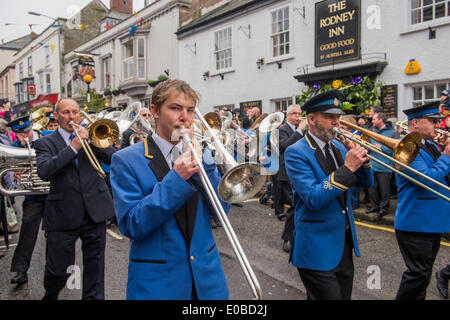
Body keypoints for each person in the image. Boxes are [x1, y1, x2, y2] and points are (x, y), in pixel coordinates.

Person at [110, 79, 230, 300]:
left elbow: (222, 211)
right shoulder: (125, 160)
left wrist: (206, 163)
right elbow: (131, 224)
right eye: (175, 108)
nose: (185, 117)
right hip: (159, 284)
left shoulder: (202, 154)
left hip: (207, 282)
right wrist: (177, 178)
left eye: (190, 110)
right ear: (155, 111)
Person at [285, 90, 373, 300]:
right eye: (329, 117)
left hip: (342, 243)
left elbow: (365, 183)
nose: (336, 122)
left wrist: (363, 160)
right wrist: (348, 167)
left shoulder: (339, 148)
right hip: (315, 245)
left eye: (337, 117)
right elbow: (314, 198)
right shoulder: (296, 151)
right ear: (312, 119)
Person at [34, 98, 116, 300]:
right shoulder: (45, 142)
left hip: (94, 211)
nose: (71, 116)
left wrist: (94, 141)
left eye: (75, 112)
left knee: (95, 270)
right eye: (66, 112)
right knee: (57, 271)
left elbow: (113, 157)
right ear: (56, 115)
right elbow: (45, 171)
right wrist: (73, 147)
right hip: (63, 214)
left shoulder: (90, 137)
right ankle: (51, 295)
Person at [394, 101, 450, 300]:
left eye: (438, 121)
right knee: (417, 275)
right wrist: (447, 155)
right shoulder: (408, 147)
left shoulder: (431, 145)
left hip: (431, 222)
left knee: (423, 275)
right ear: (415, 123)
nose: (438, 125)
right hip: (416, 223)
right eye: (433, 121)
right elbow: (426, 179)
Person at [5, 116, 46, 285]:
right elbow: (10, 172)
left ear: (32, 128)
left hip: (54, 193)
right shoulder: (14, 147)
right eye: (20, 134)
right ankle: (21, 271)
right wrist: (15, 173)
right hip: (33, 195)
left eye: (27, 132)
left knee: (56, 232)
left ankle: (58, 269)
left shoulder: (47, 136)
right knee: (28, 229)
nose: (25, 137)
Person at [275, 105, 306, 253]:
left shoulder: (304, 131)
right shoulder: (282, 130)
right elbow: (285, 146)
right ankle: (287, 238)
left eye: (299, 114)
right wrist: (299, 131)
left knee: (300, 205)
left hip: (301, 170)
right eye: (294, 113)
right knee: (294, 205)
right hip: (287, 171)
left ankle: (299, 235)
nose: (298, 116)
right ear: (287, 115)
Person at [365, 112, 397, 218]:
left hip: (384, 165)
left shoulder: (392, 132)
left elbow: (394, 150)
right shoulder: (372, 131)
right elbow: (368, 147)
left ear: (380, 120)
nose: (372, 121)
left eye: (374, 119)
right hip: (372, 164)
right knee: (372, 188)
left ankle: (384, 208)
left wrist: (381, 148)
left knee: (384, 190)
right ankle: (375, 206)